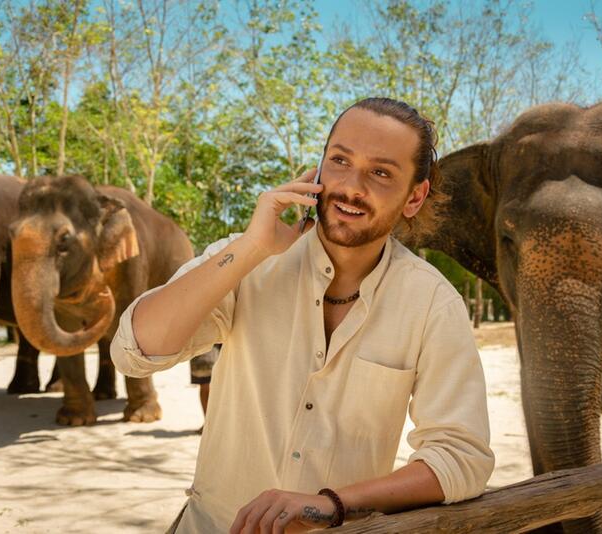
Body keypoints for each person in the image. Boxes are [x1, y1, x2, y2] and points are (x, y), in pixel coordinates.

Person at [111, 97, 494, 533]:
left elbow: (460, 458)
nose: (351, 186)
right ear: (318, 169)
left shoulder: (432, 303)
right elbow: (134, 351)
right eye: (340, 160)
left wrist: (331, 504)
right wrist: (253, 248)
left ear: (415, 197)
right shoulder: (247, 259)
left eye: (381, 173)